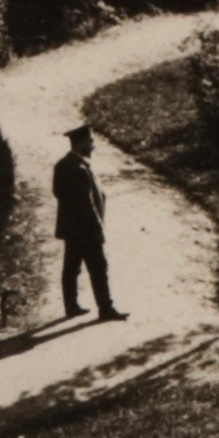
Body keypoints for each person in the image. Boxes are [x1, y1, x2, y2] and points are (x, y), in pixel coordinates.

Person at [53, 126, 124, 321]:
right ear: (81, 142)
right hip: (86, 229)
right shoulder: (79, 169)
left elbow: (58, 193)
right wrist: (98, 228)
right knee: (99, 268)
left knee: (71, 268)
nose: (93, 145)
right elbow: (87, 204)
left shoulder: (63, 165)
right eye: (90, 141)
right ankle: (106, 308)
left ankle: (71, 306)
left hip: (71, 228)